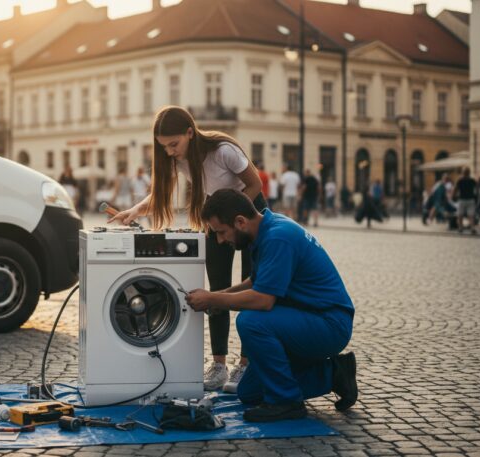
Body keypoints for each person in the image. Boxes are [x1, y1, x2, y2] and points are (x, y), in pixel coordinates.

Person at [109, 106, 266, 393]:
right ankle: (219, 365)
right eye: (164, 147)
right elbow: (160, 194)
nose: (169, 151)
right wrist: (132, 212)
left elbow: (255, 183)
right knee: (216, 290)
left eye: (174, 144)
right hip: (219, 218)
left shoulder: (223, 150)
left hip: (249, 214)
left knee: (250, 289)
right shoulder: (178, 160)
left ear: (190, 133)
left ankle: (247, 364)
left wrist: (235, 218)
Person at [186, 189, 356, 422]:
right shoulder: (265, 228)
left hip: (329, 324)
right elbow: (256, 281)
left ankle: (287, 402)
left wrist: (213, 299)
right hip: (305, 318)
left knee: (251, 321)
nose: (220, 240)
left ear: (240, 222)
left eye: (221, 232)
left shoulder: (278, 237)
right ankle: (334, 374)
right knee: (250, 393)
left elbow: (263, 300)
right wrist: (218, 295)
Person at [453, 167, 477, 235]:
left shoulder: (459, 180)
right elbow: (476, 188)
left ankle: (460, 228)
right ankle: (472, 228)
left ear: (462, 172)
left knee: (460, 214)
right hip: (470, 199)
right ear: (469, 173)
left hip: (462, 199)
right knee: (471, 215)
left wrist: (453, 196)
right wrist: (476, 197)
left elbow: (455, 189)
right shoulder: (472, 180)